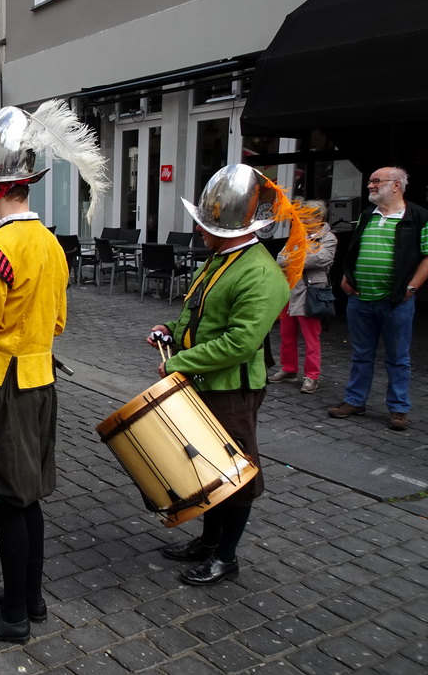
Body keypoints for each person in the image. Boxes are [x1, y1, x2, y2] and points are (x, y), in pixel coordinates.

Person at [0, 102, 103, 643]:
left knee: (7, 501)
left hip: (0, 385)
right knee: (28, 497)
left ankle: (13, 618)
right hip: (41, 381)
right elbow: (58, 319)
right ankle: (27, 597)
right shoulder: (51, 244)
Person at [149, 164, 315, 587]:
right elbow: (197, 309)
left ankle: (226, 557)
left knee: (236, 474)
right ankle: (207, 542)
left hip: (232, 388)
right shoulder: (223, 258)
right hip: (206, 384)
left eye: (206, 224)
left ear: (232, 228)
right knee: (208, 469)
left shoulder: (260, 273)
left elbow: (239, 344)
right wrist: (172, 329)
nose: (199, 230)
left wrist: (178, 363)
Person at [329, 167, 428, 431]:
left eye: (376, 181)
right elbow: (353, 249)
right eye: (371, 181)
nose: (370, 186)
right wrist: (346, 276)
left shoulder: (418, 216)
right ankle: (355, 401)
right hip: (360, 299)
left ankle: (398, 408)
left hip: (396, 302)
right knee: (361, 354)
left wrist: (412, 288)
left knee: (398, 357)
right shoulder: (366, 215)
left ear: (396, 185)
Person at [267, 200, 337, 393]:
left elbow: (321, 259)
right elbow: (280, 257)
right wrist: (297, 259)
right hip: (290, 290)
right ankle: (289, 369)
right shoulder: (297, 235)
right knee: (286, 334)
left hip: (310, 291)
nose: (302, 220)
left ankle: (312, 376)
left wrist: (294, 259)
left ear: (319, 218)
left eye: (306, 216)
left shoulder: (328, 238)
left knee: (310, 337)